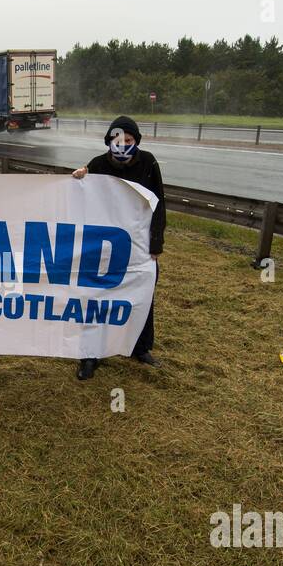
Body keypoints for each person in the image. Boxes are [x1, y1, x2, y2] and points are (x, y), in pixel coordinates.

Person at [70, 115, 165, 380]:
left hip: (138, 244)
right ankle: (91, 354)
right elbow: (82, 193)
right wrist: (79, 177)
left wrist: (156, 241)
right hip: (104, 246)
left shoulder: (148, 162)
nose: (122, 144)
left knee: (142, 293)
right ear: (109, 141)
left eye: (128, 140)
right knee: (98, 297)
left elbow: (159, 203)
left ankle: (140, 347)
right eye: (117, 139)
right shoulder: (98, 164)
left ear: (136, 141)